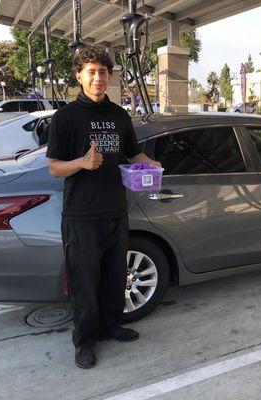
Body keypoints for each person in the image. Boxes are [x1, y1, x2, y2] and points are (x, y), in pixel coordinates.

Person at [46, 47, 161, 369]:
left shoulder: (119, 115)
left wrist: (149, 163)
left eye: (104, 72)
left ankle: (111, 327)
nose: (99, 78)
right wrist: (82, 162)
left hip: (115, 208)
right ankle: (84, 340)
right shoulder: (66, 118)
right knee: (84, 280)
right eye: (92, 72)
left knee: (114, 276)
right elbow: (54, 168)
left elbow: (131, 153)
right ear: (79, 76)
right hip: (81, 214)